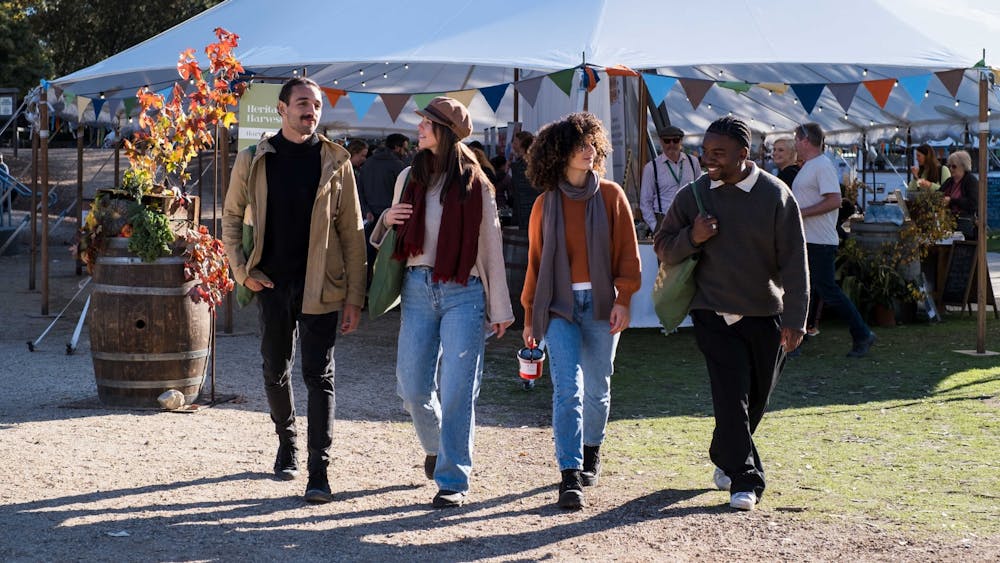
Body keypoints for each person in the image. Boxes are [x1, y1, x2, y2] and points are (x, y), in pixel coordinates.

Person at [221, 77, 367, 504]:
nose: (312, 111)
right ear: (281, 109)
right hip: (270, 282)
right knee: (274, 369)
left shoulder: (335, 161)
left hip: (322, 283)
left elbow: (353, 233)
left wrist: (355, 296)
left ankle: (318, 470)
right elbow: (231, 219)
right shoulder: (253, 159)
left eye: (317, 104)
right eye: (303, 103)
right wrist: (242, 271)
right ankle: (287, 439)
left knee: (319, 375)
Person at [655, 116, 808, 511]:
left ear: (744, 154)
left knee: (756, 397)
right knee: (730, 397)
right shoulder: (692, 196)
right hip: (712, 312)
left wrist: (796, 319)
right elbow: (664, 247)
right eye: (705, 151)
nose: (709, 159)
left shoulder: (776, 195)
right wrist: (693, 236)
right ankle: (746, 479)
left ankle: (725, 452)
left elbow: (795, 262)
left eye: (718, 153)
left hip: (765, 313)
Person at [371, 96, 513, 509]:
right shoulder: (407, 177)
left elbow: (490, 247)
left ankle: (453, 479)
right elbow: (389, 231)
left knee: (457, 389)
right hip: (416, 287)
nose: (419, 128)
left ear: (445, 132)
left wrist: (500, 308)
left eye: (427, 123)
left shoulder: (477, 183)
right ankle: (436, 445)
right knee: (412, 386)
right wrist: (384, 219)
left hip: (464, 292)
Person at [521, 112, 641, 510]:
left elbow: (628, 253)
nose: (588, 150)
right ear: (558, 153)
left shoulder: (611, 196)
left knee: (598, 387)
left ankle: (592, 450)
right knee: (567, 390)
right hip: (558, 306)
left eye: (592, 143)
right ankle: (569, 474)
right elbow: (536, 264)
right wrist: (529, 319)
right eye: (579, 145)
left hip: (603, 305)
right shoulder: (544, 204)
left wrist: (623, 300)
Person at [792, 122, 876, 358]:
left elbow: (834, 201)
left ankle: (862, 333)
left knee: (827, 291)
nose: (794, 144)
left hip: (820, 241)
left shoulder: (822, 165)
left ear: (805, 140)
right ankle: (798, 338)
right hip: (809, 240)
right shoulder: (810, 166)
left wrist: (802, 212)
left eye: (796, 140)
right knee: (804, 290)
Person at [359, 133, 409, 290]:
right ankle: (385, 293)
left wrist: (366, 210)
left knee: (366, 259)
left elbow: (359, 191)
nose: (406, 152)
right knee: (390, 261)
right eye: (404, 149)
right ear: (396, 147)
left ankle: (363, 292)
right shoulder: (398, 166)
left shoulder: (367, 163)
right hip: (392, 221)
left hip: (370, 218)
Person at [639, 125, 702, 234]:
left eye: (675, 140)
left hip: (689, 219)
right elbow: (645, 202)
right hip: (664, 220)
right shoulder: (651, 167)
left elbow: (701, 192)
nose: (671, 144)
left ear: (681, 141)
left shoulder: (693, 162)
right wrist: (655, 227)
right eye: (667, 141)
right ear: (661, 142)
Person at [940, 150, 979, 240]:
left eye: (954, 166)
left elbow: (973, 203)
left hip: (965, 225)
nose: (950, 169)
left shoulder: (971, 181)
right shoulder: (950, 181)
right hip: (948, 224)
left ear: (963, 166)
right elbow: (938, 194)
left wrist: (951, 201)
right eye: (949, 166)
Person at [509, 130, 539, 229]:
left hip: (524, 211)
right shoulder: (537, 162)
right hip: (535, 209)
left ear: (521, 144)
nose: (513, 144)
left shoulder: (519, 166)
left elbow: (516, 190)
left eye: (515, 142)